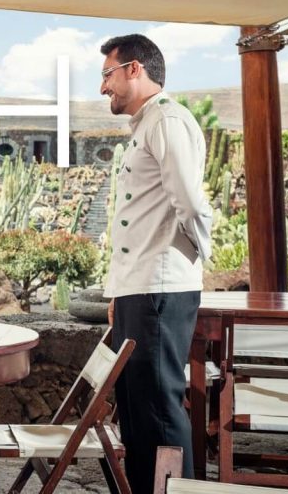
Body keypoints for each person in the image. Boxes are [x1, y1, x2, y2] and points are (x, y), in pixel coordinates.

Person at [99, 34, 212, 493]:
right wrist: (118, 292)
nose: (103, 87)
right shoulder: (147, 125)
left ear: (134, 69)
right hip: (139, 288)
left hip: (160, 287)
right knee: (136, 409)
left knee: (160, 409)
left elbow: (188, 200)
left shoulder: (167, 120)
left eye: (107, 74)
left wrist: (200, 255)